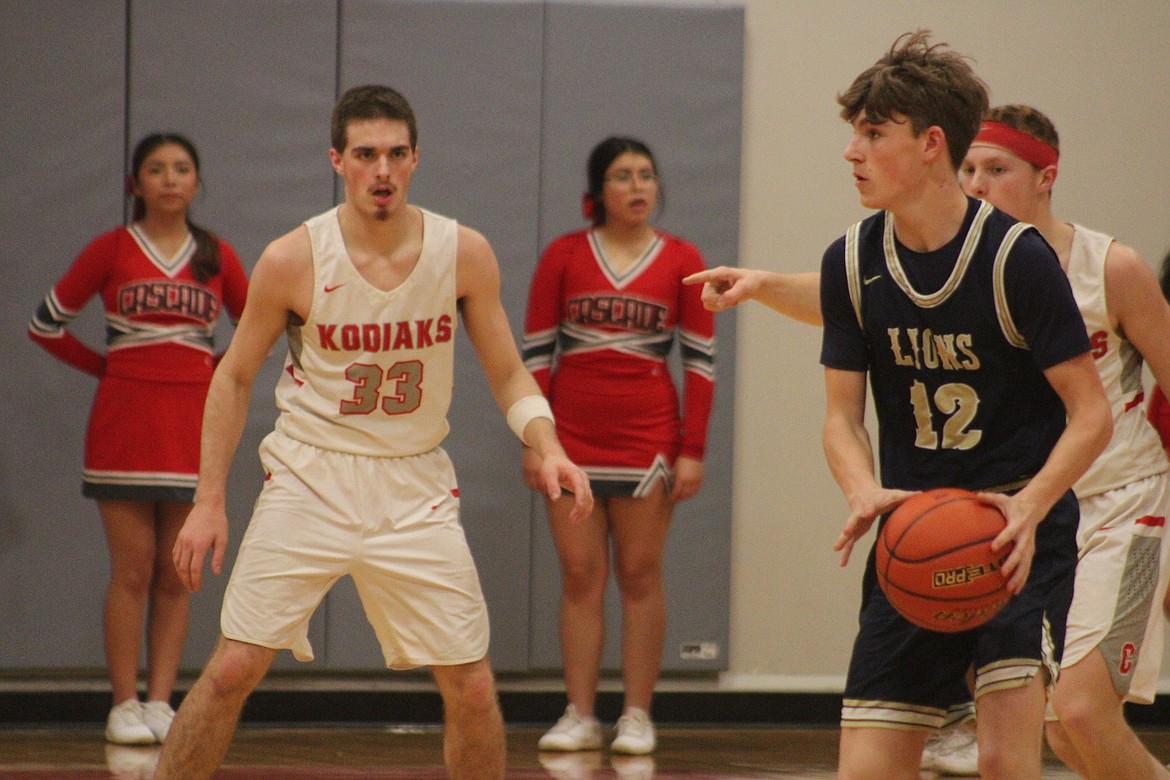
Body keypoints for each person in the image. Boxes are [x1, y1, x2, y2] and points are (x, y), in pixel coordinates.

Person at [694, 32, 1113, 779]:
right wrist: (863, 489)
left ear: (930, 144)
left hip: (1014, 539)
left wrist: (1033, 506)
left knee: (1001, 763)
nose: (852, 152)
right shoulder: (851, 262)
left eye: (872, 133)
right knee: (866, 769)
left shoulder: (1016, 259)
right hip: (914, 533)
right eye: (853, 133)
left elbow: (1091, 413)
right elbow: (841, 418)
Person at [152, 85, 593, 779]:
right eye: (365, 155)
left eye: (394, 154)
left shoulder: (464, 252)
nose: (380, 170)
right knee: (234, 665)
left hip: (413, 479)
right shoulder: (292, 258)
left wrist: (549, 445)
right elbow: (233, 377)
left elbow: (509, 374)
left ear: (416, 159)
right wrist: (209, 499)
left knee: (473, 684)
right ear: (337, 160)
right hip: (310, 475)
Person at [27, 133, 249, 746]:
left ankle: (160, 701)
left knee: (177, 575)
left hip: (191, 427)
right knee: (132, 570)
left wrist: (217, 371)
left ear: (197, 183)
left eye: (182, 168)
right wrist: (107, 368)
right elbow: (44, 324)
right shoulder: (111, 249)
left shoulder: (218, 255)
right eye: (156, 169)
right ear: (136, 184)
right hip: (123, 426)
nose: (170, 179)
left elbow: (262, 325)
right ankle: (123, 702)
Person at [522, 137, 715, 756]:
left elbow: (702, 366)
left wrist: (693, 448)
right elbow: (533, 360)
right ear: (597, 190)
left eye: (647, 176)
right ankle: (580, 712)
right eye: (623, 176)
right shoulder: (562, 255)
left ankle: (636, 714)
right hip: (570, 441)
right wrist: (536, 440)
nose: (637, 187)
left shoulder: (684, 259)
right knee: (580, 576)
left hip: (648, 439)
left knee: (638, 575)